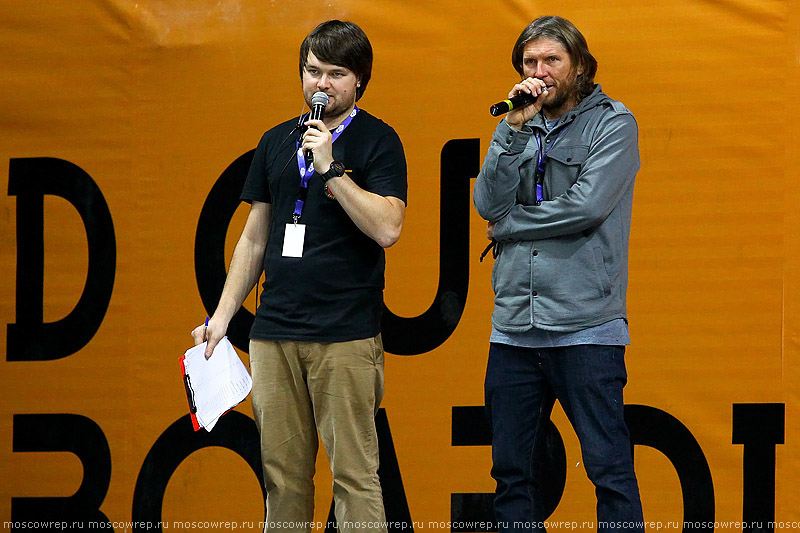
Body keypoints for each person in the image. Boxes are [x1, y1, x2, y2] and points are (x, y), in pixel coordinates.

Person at [191, 20, 407, 533]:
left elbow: (389, 228)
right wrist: (222, 317)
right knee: (282, 478)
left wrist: (332, 170)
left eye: (336, 73)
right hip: (274, 334)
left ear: (359, 82)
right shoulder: (276, 141)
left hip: (345, 334)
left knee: (355, 475)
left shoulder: (379, 140)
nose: (321, 84)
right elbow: (254, 238)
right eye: (312, 72)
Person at [473, 15, 644, 532]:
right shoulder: (516, 124)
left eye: (552, 60)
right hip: (514, 330)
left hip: (586, 326)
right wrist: (510, 131)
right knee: (512, 475)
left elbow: (587, 207)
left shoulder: (614, 123)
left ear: (580, 67)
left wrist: (510, 227)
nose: (539, 72)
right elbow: (487, 201)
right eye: (530, 62)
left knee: (608, 468)